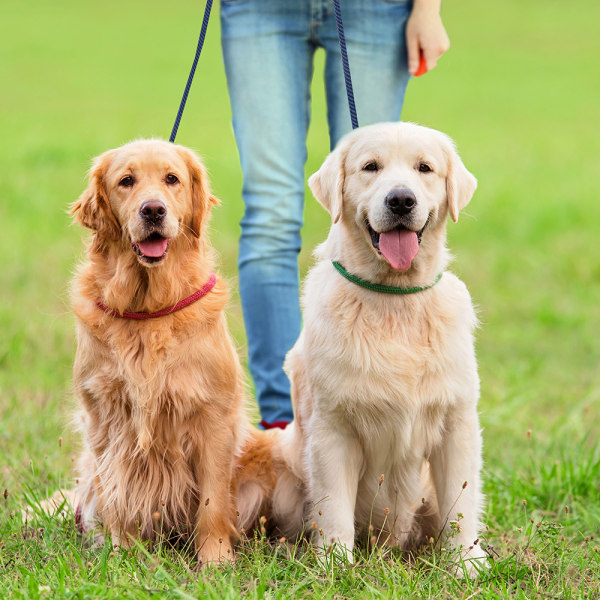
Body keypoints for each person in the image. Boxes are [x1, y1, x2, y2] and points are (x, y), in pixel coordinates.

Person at [220, 0, 450, 429]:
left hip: (375, 9)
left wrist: (427, 8)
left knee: (382, 188)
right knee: (270, 213)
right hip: (259, 8)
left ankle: (374, 415)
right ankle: (284, 424)